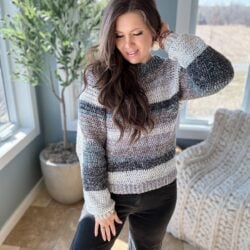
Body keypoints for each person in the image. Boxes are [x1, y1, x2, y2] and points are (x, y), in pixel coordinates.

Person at [71, 0, 234, 249]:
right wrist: (100, 204)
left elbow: (219, 74)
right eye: (118, 35)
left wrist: (169, 39)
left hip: (160, 193)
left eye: (137, 33)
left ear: (153, 32)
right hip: (112, 194)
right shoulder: (98, 80)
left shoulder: (171, 74)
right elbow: (91, 145)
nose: (128, 45)